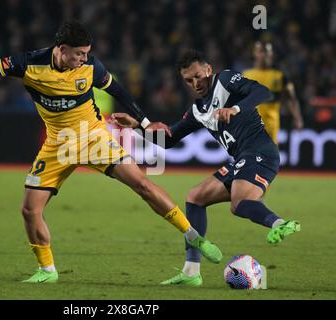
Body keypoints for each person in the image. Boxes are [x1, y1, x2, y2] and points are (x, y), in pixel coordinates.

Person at [0, 22, 223, 283]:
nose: (84, 59)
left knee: (141, 184)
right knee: (29, 209)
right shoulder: (28, 64)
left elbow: (118, 90)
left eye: (87, 54)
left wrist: (143, 121)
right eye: (78, 54)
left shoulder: (92, 67)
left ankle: (194, 235)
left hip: (94, 139)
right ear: (61, 49)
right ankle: (47, 269)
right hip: (57, 145)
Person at [110, 50, 301, 287]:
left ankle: (278, 223)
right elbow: (168, 140)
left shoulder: (226, 80)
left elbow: (263, 91)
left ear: (208, 70)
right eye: (189, 80)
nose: (195, 83)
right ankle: (191, 272)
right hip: (241, 159)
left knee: (238, 204)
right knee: (195, 198)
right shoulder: (198, 110)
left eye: (198, 76)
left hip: (261, 153)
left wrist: (235, 109)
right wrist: (136, 126)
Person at [243, 41, 303, 144]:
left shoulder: (279, 76)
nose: (264, 55)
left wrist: (297, 117)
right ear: (255, 53)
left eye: (267, 52)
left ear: (272, 54)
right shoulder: (246, 75)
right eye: (261, 51)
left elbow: (291, 98)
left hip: (270, 125)